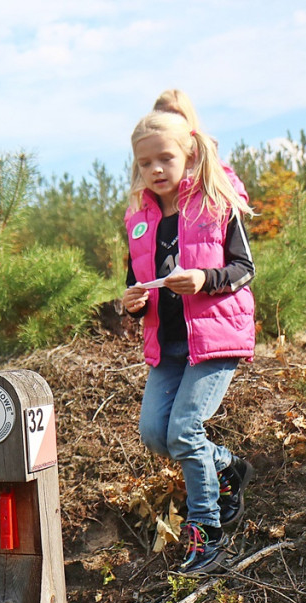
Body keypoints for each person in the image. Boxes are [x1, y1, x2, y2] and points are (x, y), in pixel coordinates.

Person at [121, 111, 257, 575]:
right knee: (155, 435)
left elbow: (244, 268)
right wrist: (133, 302)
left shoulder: (215, 203)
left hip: (215, 338)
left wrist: (203, 278)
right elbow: (135, 281)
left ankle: (206, 531)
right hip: (169, 345)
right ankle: (227, 466)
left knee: (183, 431)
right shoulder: (139, 220)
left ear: (190, 154)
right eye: (145, 163)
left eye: (166, 157)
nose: (156, 169)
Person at [152, 88, 249, 203]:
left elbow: (235, 192)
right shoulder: (149, 164)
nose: (171, 127)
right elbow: (138, 204)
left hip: (199, 217)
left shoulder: (203, 155)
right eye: (164, 121)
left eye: (177, 119)